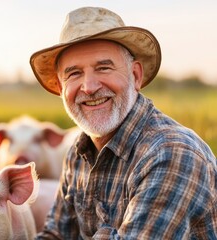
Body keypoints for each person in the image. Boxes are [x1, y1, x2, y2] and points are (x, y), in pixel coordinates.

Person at [30, 6, 217, 239]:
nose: (89, 87)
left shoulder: (173, 154)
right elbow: (56, 235)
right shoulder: (78, 154)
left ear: (136, 76)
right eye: (74, 74)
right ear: (60, 88)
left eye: (104, 68)